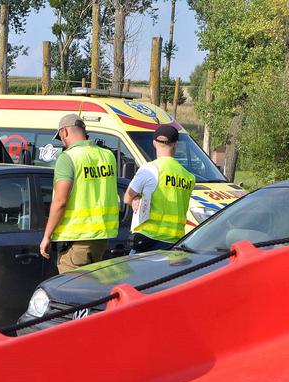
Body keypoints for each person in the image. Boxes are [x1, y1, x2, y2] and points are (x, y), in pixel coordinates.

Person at [39, 114, 119, 273]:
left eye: (61, 137)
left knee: (73, 293)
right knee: (94, 292)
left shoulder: (68, 158)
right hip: (101, 239)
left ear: (64, 133)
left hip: (75, 242)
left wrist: (47, 236)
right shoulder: (108, 156)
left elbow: (61, 201)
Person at [124, 125, 195, 254]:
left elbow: (127, 198)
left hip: (147, 240)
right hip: (174, 241)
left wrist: (136, 198)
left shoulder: (150, 169)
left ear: (154, 143)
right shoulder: (188, 177)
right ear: (176, 144)